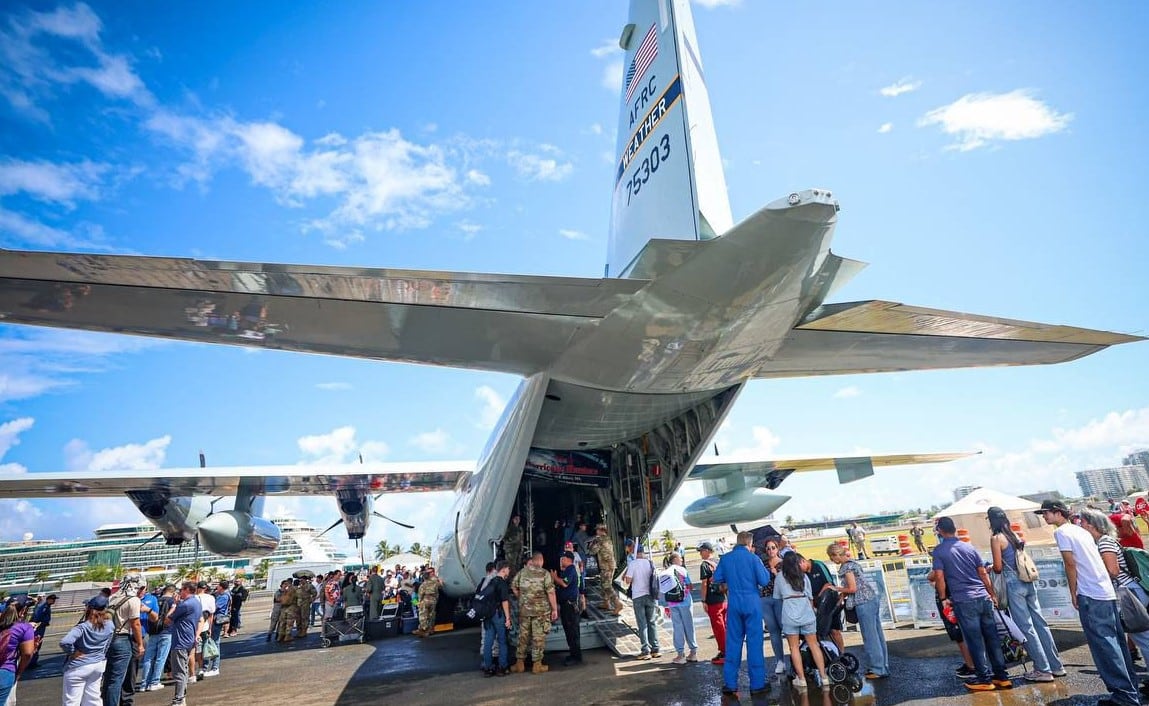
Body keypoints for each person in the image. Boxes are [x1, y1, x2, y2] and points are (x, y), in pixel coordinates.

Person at [1039, 500, 1140, 706]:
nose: (1044, 517)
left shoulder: (1062, 533)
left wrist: (1073, 591)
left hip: (1091, 594)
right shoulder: (1081, 531)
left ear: (1058, 513)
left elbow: (1070, 563)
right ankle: (1130, 691)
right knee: (1117, 643)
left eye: (1046, 513)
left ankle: (1124, 697)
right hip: (1105, 591)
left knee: (1105, 647)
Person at [930, 517, 1009, 692]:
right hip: (983, 597)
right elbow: (982, 573)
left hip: (964, 601)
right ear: (955, 529)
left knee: (974, 641)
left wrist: (943, 599)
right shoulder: (968, 547)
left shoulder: (940, 551)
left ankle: (984, 678)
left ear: (940, 531)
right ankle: (1002, 676)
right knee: (992, 638)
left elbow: (939, 577)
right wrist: (991, 593)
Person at [988, 506, 1063, 682]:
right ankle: (1056, 666)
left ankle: (1042, 670)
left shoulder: (996, 538)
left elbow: (998, 567)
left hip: (1013, 584)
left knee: (1025, 627)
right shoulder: (1015, 535)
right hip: (1028, 580)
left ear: (991, 521)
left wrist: (991, 567)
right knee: (1040, 623)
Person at [712, 530, 773, 698]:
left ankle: (730, 684)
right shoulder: (754, 558)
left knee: (733, 643)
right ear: (750, 543)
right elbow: (764, 580)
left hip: (734, 603)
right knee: (754, 644)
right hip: (752, 603)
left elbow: (717, 579)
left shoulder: (725, 558)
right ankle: (757, 684)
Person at [827, 542, 888, 680]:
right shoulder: (853, 563)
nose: (832, 561)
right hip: (872, 598)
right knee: (878, 635)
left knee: (870, 637)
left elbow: (853, 588)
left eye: (832, 557)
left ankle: (877, 669)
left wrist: (837, 589)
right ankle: (883, 666)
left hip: (863, 602)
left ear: (835, 555)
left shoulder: (846, 568)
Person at [775, 552, 827, 689]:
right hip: (806, 612)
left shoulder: (780, 577)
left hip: (790, 614)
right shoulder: (804, 576)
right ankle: (824, 676)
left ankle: (802, 679)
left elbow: (777, 597)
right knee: (814, 645)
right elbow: (810, 596)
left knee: (794, 647)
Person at [60, 595, 114, 706]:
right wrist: (101, 654)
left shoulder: (83, 627)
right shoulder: (109, 625)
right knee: (93, 699)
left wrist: (74, 652)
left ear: (89, 608)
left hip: (78, 666)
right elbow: (108, 643)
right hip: (98, 664)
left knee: (72, 701)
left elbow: (65, 642)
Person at [510, 552, 558, 674]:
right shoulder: (545, 574)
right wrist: (554, 609)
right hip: (540, 613)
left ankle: (519, 664)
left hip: (524, 611)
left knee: (523, 637)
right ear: (541, 561)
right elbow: (551, 593)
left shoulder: (522, 572)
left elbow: (513, 586)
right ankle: (537, 665)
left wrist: (522, 598)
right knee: (538, 638)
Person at [103, 574, 145, 706]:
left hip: (109, 639)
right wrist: (140, 644)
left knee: (109, 678)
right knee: (117, 679)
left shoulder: (113, 598)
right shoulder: (133, 600)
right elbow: (135, 624)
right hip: (122, 637)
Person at [623, 545, 661, 660]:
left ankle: (645, 651)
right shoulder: (650, 563)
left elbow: (628, 580)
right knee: (652, 622)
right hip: (650, 595)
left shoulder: (633, 564)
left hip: (638, 596)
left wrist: (627, 577)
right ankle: (655, 648)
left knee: (642, 623)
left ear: (634, 552)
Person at [166, 582, 200, 706]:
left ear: (186, 590)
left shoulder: (185, 604)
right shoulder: (196, 602)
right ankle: (181, 698)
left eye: (181, 590)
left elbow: (168, 619)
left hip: (180, 641)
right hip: (189, 639)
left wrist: (174, 604)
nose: (180, 592)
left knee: (179, 672)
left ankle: (179, 700)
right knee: (183, 670)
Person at [661, 552, 698, 665]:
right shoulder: (682, 570)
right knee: (689, 626)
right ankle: (693, 652)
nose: (681, 559)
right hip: (685, 601)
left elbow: (663, 590)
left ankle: (680, 655)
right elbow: (690, 586)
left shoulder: (666, 572)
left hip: (672, 603)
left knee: (677, 627)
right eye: (680, 557)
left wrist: (665, 605)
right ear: (675, 559)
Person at [139, 584, 176, 692]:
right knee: (161, 657)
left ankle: (144, 683)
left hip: (153, 630)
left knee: (149, 657)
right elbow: (171, 616)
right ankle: (155, 681)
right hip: (166, 631)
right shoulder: (171, 602)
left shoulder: (155, 600)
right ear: (173, 592)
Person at [0, 596, 36, 704]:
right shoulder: (24, 628)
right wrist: (19, 672)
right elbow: (27, 654)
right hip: (5, 671)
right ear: (24, 610)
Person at [758, 539, 786, 676]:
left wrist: (776, 574)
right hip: (765, 597)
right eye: (768, 548)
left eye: (773, 548)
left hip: (779, 598)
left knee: (785, 627)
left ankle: (797, 658)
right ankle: (780, 661)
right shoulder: (762, 564)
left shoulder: (784, 563)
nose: (770, 551)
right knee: (773, 630)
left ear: (778, 549)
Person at [698, 541, 728, 665]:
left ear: (707, 551)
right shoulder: (718, 562)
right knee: (725, 626)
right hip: (723, 598)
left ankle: (724, 652)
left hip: (713, 600)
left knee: (718, 628)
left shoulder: (705, 565)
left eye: (701, 551)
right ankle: (729, 650)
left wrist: (704, 600)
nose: (700, 553)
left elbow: (705, 584)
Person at [481, 561, 513, 677]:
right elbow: (505, 602)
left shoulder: (490, 582)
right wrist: (508, 619)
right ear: (503, 569)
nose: (509, 571)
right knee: (502, 641)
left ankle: (487, 668)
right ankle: (502, 667)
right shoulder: (502, 583)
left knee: (488, 642)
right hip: (498, 615)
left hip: (488, 616)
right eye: (508, 569)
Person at [552, 551, 583, 666]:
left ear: (568, 559)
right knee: (569, 632)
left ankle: (576, 657)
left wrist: (555, 578)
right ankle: (573, 654)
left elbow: (565, 583)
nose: (561, 561)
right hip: (566, 606)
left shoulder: (570, 569)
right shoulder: (566, 571)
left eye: (563, 559)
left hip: (570, 606)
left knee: (572, 632)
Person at [587, 524, 623, 615]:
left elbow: (592, 551)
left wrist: (591, 544)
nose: (596, 531)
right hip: (611, 565)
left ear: (600, 530)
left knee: (607, 586)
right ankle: (606, 603)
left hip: (605, 566)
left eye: (597, 529)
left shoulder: (599, 540)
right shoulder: (608, 538)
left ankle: (617, 604)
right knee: (605, 584)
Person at [203, 580, 230, 677]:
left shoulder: (224, 596)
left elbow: (215, 607)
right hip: (215, 620)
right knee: (213, 642)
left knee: (215, 642)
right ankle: (210, 666)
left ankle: (215, 667)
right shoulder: (220, 594)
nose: (217, 587)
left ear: (221, 587)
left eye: (218, 585)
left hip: (217, 620)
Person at [28, 592, 56, 669]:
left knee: (36, 643)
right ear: (48, 599)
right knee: (36, 643)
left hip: (40, 627)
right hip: (39, 627)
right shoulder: (43, 606)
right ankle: (31, 662)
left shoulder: (44, 605)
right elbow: (37, 617)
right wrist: (40, 624)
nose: (54, 601)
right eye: (53, 599)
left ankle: (32, 661)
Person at [414, 567, 442, 637]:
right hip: (434, 600)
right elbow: (441, 586)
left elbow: (420, 595)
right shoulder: (435, 582)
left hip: (425, 600)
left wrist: (419, 603)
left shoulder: (423, 585)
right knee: (431, 615)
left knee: (423, 615)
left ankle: (424, 630)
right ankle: (430, 629)